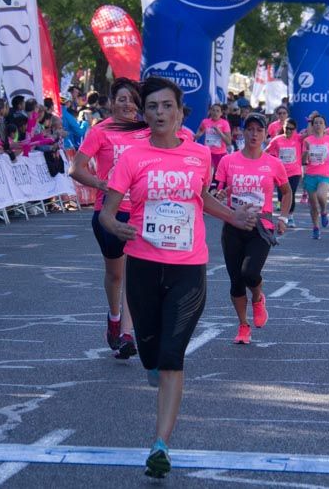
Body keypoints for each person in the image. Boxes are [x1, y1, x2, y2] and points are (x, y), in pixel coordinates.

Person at [99, 76, 256, 479]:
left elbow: (200, 197)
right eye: (152, 107)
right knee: (151, 353)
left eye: (167, 106)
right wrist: (115, 227)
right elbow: (107, 210)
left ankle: (160, 444)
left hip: (189, 267)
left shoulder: (200, 155)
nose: (159, 114)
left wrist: (233, 216)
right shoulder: (131, 157)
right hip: (144, 265)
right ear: (143, 113)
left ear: (180, 111)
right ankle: (152, 363)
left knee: (172, 356)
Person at [69, 78, 143, 359]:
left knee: (134, 273)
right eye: (122, 99)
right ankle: (114, 318)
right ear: (112, 102)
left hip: (139, 211)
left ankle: (126, 333)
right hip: (109, 211)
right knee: (115, 274)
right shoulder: (101, 131)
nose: (127, 104)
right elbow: (76, 168)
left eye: (132, 99)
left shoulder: (146, 131)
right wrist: (102, 184)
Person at [214, 113, 289, 344]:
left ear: (266, 134)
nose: (254, 134)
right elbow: (217, 190)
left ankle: (257, 297)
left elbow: (286, 192)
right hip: (233, 226)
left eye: (259, 130)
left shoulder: (273, 164)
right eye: (250, 129)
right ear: (242, 133)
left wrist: (283, 218)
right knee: (236, 280)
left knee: (249, 273)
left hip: (261, 227)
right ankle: (243, 325)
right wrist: (220, 194)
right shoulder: (228, 161)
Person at [301, 113, 329, 239]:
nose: (318, 125)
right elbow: (303, 160)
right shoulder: (307, 140)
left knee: (321, 195)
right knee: (313, 205)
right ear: (312, 126)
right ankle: (315, 227)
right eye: (316, 123)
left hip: (324, 174)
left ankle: (324, 212)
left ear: (324, 126)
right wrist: (306, 153)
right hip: (310, 174)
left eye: (321, 123)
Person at [264, 118, 303, 227]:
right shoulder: (277, 140)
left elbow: (310, 134)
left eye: (291, 129)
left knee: (292, 193)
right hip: (281, 172)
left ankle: (289, 216)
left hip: (295, 171)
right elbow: (266, 152)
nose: (289, 131)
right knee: (281, 196)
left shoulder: (298, 138)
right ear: (283, 128)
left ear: (295, 129)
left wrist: (310, 120)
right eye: (287, 128)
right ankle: (284, 212)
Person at [194, 103, 232, 175]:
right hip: (208, 152)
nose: (215, 113)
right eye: (213, 110)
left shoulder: (224, 123)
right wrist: (198, 135)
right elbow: (200, 129)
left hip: (220, 154)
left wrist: (219, 132)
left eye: (217, 111)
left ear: (221, 113)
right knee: (207, 175)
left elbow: (228, 142)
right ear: (210, 111)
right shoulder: (205, 121)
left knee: (220, 176)